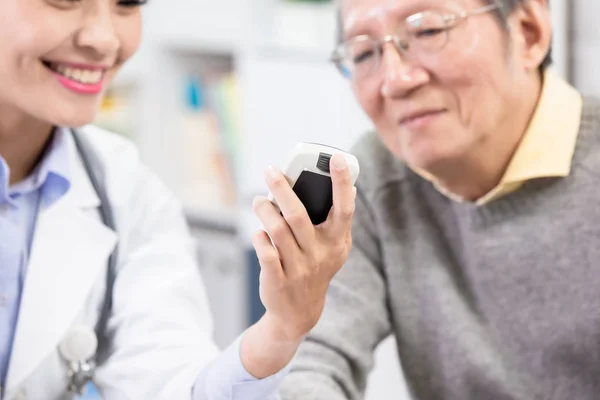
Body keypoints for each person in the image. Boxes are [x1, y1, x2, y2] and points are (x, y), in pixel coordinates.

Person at [0, 0, 356, 399]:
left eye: (128, 4)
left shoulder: (128, 191)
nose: (103, 39)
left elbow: (170, 384)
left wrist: (280, 330)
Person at [279, 0, 600, 399]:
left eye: (428, 31)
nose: (394, 80)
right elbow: (312, 359)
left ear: (528, 31)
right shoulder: (377, 177)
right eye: (364, 53)